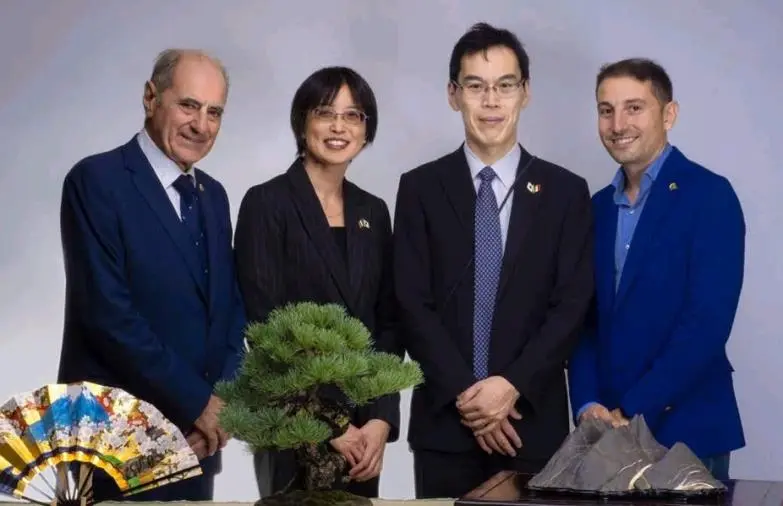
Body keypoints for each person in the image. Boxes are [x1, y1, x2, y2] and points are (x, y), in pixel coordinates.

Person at [393, 22, 595, 499]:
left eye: (505, 86)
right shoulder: (420, 188)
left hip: (531, 421)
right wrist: (469, 396)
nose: (491, 101)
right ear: (452, 94)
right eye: (475, 86)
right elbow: (410, 301)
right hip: (445, 423)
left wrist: (509, 388)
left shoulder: (565, 192)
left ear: (524, 93)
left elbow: (571, 305)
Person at [57, 49, 247, 501]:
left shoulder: (214, 198)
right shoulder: (96, 181)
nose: (201, 125)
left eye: (214, 112)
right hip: (115, 443)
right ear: (150, 97)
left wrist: (224, 409)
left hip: (199, 444)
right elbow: (107, 316)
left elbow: (230, 312)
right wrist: (199, 404)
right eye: (188, 105)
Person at [567, 58, 745, 481]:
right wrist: (588, 403)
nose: (617, 123)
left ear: (669, 114)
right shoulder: (595, 209)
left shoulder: (710, 196)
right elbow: (583, 319)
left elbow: (706, 324)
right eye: (605, 110)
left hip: (686, 431)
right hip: (606, 435)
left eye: (634, 107)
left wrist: (631, 409)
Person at [233, 66, 402, 499]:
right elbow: (264, 328)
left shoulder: (374, 211)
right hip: (295, 424)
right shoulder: (266, 203)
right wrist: (331, 426)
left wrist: (380, 420)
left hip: (364, 432)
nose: (339, 127)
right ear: (302, 121)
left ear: (367, 130)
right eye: (326, 113)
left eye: (354, 115)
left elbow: (389, 321)